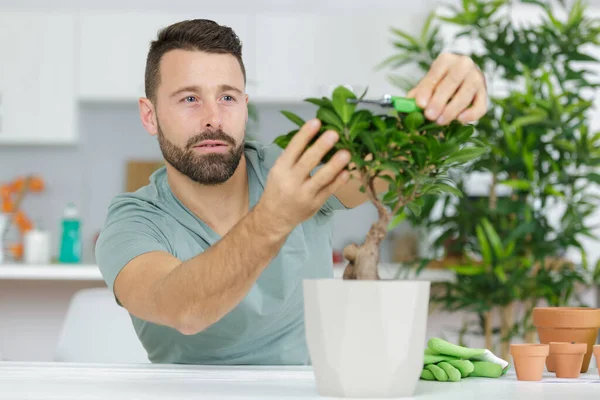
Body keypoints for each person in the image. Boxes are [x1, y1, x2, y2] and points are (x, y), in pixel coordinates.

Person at [95, 19, 488, 365]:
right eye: (190, 99)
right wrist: (273, 218)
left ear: (245, 105)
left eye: (227, 97)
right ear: (150, 115)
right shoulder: (132, 222)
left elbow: (399, 160)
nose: (213, 118)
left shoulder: (294, 166)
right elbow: (183, 308)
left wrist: (452, 101)